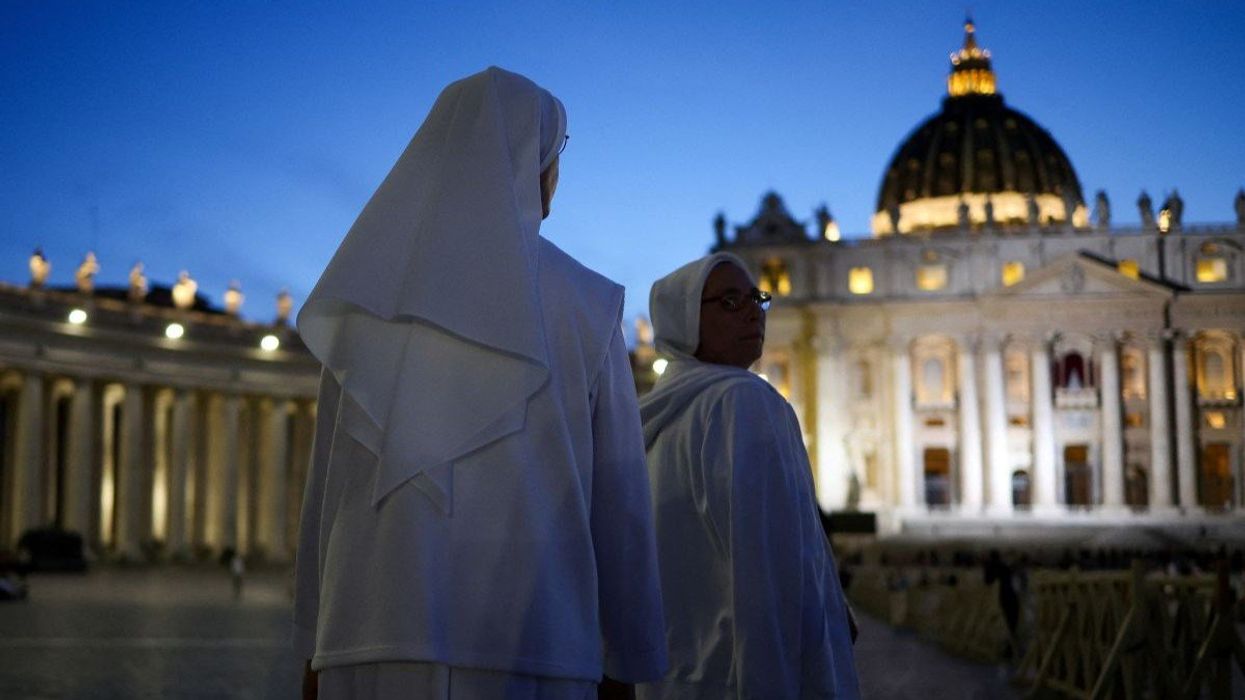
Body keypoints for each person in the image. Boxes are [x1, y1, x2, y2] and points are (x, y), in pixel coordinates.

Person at [293, 67, 667, 699]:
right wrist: (627, 656)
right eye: (557, 153)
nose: (557, 173)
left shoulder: (362, 306)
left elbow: (325, 497)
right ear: (530, 157)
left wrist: (313, 644)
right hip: (535, 638)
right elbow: (620, 498)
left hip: (370, 636)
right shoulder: (590, 305)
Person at [637, 253, 859, 699]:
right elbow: (767, 576)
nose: (754, 311)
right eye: (731, 301)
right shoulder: (744, 402)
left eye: (756, 298)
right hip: (742, 679)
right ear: (684, 318)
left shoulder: (654, 419)